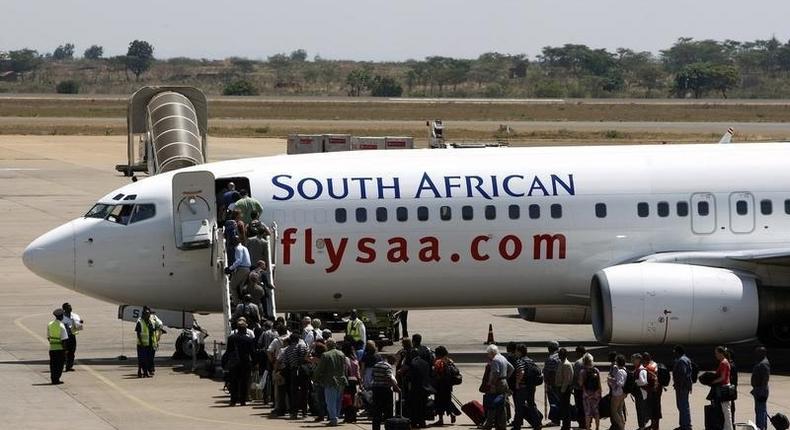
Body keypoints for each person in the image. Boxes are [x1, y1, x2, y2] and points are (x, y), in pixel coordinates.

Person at [312, 339, 348, 427]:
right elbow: (345, 367)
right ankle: (336, 416)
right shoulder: (341, 354)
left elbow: (320, 369)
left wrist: (315, 378)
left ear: (327, 345)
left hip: (330, 381)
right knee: (338, 401)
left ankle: (333, 419)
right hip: (341, 380)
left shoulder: (325, 355)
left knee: (330, 401)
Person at [483, 344, 514, 430]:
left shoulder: (495, 360)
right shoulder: (503, 358)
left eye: (488, 354)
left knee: (492, 403)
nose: (488, 356)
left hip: (497, 384)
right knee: (502, 404)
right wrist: (505, 377)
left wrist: (492, 384)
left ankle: (488, 424)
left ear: (492, 352)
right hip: (504, 382)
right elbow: (511, 368)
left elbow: (496, 372)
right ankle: (502, 425)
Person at [226, 317, 255, 406]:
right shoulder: (248, 339)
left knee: (234, 381)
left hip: (234, 363)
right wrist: (254, 362)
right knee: (244, 382)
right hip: (245, 362)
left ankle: (233, 400)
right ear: (245, 329)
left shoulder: (231, 338)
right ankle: (243, 400)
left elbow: (229, 351)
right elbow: (252, 352)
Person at [409, 334, 435, 429]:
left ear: (413, 341)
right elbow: (431, 363)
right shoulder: (426, 350)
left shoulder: (413, 351)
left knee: (415, 402)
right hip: (425, 380)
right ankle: (422, 421)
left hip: (416, 381)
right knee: (423, 401)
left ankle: (415, 421)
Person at [284, 332, 310, 419]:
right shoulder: (302, 346)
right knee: (304, 391)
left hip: (294, 371)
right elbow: (306, 356)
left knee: (294, 393)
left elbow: (286, 362)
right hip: (303, 370)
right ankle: (304, 412)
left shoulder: (287, 350)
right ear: (298, 339)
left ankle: (294, 412)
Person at [371, 354, 400, 430]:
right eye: (393, 362)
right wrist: (396, 388)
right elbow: (389, 378)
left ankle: (376, 428)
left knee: (377, 411)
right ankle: (388, 427)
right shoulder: (387, 366)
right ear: (390, 359)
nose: (393, 364)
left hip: (376, 389)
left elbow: (373, 375)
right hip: (385, 390)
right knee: (388, 411)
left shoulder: (376, 365)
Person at [432, 345, 459, 426]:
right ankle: (452, 414)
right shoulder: (449, 360)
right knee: (447, 400)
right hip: (448, 385)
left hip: (440, 385)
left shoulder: (438, 362)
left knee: (439, 402)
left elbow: (436, 373)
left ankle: (441, 420)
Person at [711, 346, 734, 430]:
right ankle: (727, 427)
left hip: (724, 388)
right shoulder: (724, 362)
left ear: (720, 353)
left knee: (726, 410)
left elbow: (723, 377)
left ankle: (729, 428)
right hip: (725, 387)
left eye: (716, 353)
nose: (715, 355)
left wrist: (713, 381)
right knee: (725, 410)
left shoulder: (723, 363)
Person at [672, 345, 693, 430]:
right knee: (683, 406)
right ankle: (683, 424)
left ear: (678, 352)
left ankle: (686, 426)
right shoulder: (686, 359)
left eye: (675, 352)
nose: (674, 354)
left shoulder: (681, 361)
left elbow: (683, 374)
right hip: (684, 386)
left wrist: (679, 385)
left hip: (682, 387)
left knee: (683, 406)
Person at [226, 236, 251, 306]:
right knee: (241, 287)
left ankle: (236, 303)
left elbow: (239, 261)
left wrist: (230, 268)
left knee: (232, 286)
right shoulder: (244, 248)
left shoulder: (238, 248)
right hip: (247, 269)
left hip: (241, 269)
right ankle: (244, 302)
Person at [579, 355, 602, 430]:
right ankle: (597, 428)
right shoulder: (596, 370)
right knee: (596, 412)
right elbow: (599, 383)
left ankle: (588, 428)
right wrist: (599, 393)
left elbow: (580, 383)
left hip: (586, 394)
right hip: (596, 394)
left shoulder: (583, 371)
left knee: (587, 413)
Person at [47, 308, 69, 385]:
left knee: (53, 365)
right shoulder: (61, 326)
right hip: (60, 349)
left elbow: (48, 337)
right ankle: (57, 379)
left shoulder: (50, 324)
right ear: (61, 316)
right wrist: (65, 350)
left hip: (52, 349)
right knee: (59, 366)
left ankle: (53, 379)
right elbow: (64, 340)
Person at [751, 346, 770, 430]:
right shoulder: (761, 362)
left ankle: (760, 427)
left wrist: (761, 392)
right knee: (761, 409)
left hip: (760, 389)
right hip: (759, 389)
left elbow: (765, 379)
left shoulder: (763, 364)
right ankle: (762, 427)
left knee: (760, 410)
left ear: (762, 353)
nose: (756, 354)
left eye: (758, 352)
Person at [342, 341, 362, 423]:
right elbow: (358, 372)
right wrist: (360, 383)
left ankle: (348, 417)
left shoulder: (345, 359)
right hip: (355, 381)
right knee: (353, 400)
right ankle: (353, 417)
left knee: (347, 399)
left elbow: (345, 371)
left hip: (348, 381)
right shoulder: (355, 359)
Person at [573, 346, 593, 427]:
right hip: (589, 389)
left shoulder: (578, 363)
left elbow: (575, 376)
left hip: (579, 389)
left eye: (576, 352)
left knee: (580, 407)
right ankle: (589, 422)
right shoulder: (590, 361)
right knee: (588, 406)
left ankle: (582, 424)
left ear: (580, 352)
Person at [60, 302, 83, 372]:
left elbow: (78, 325)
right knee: (64, 352)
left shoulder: (74, 315)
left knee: (72, 352)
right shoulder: (61, 317)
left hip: (72, 336)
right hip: (65, 337)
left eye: (70, 306)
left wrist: (80, 323)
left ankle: (69, 366)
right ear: (64, 309)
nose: (70, 308)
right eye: (68, 307)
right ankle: (62, 366)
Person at [607, 354, 627, 430]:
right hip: (621, 394)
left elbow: (620, 383)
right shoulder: (624, 369)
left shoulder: (620, 371)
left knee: (614, 411)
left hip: (617, 394)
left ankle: (621, 426)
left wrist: (611, 380)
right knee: (619, 410)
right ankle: (622, 424)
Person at [643, 352, 662, 430]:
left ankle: (655, 426)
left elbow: (654, 378)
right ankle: (654, 425)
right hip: (657, 390)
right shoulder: (655, 364)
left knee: (654, 409)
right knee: (655, 408)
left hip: (653, 390)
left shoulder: (648, 366)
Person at [557, 348, 574, 430]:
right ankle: (565, 424)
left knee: (566, 408)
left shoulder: (566, 364)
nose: (559, 356)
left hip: (565, 389)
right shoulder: (561, 363)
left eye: (561, 354)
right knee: (563, 407)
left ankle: (566, 425)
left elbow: (566, 380)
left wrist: (562, 391)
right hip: (562, 388)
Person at [544, 341, 561, 425]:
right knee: (558, 401)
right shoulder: (559, 357)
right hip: (560, 384)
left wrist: (549, 385)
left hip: (553, 385)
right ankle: (558, 418)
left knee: (553, 402)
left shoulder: (551, 358)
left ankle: (555, 420)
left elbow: (551, 373)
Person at [135, 306, 155, 378]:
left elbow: (152, 332)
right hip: (142, 345)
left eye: (149, 314)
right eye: (146, 314)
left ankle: (146, 372)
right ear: (143, 314)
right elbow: (138, 333)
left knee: (148, 359)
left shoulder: (150, 322)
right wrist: (141, 343)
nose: (148, 315)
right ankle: (142, 372)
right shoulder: (140, 322)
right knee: (142, 360)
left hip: (149, 344)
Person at [632, 353, 649, 430]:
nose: (632, 361)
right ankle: (642, 425)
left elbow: (643, 382)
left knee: (640, 410)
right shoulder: (638, 369)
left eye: (634, 359)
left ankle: (642, 426)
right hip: (639, 393)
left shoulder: (641, 370)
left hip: (641, 393)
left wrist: (634, 381)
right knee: (640, 409)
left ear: (638, 360)